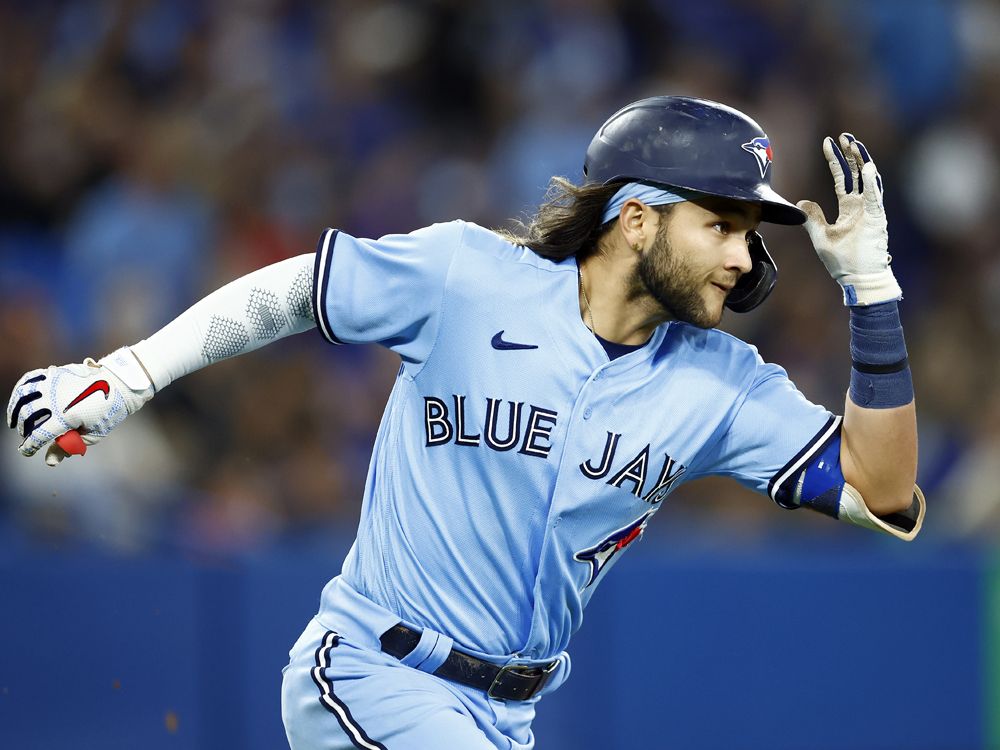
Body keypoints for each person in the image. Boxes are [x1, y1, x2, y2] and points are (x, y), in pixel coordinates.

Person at [6, 96, 924, 750]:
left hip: (506, 717)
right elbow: (297, 291)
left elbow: (883, 492)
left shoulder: (722, 382)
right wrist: (130, 372)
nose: (744, 254)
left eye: (749, 234)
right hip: (374, 672)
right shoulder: (467, 275)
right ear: (636, 219)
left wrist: (871, 291)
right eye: (722, 224)